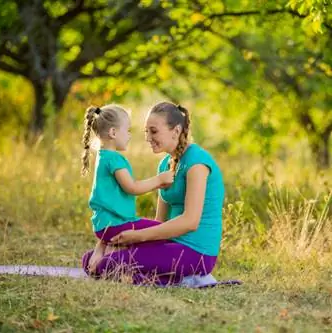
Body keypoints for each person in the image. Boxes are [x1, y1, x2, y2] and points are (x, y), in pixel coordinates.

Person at [81, 102, 225, 285]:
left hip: (196, 251)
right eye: (146, 132)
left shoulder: (197, 163)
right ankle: (171, 278)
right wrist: (106, 244)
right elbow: (160, 223)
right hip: (170, 243)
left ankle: (182, 278)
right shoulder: (165, 164)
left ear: (176, 130)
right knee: (91, 260)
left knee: (109, 265)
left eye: (154, 131)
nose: (148, 137)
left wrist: (137, 237)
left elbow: (190, 222)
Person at [80, 104, 175, 272]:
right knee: (161, 233)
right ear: (113, 133)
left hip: (104, 226)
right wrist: (160, 179)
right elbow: (132, 187)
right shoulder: (115, 160)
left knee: (152, 230)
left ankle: (102, 251)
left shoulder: (103, 157)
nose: (130, 135)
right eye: (127, 130)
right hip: (118, 225)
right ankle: (114, 260)